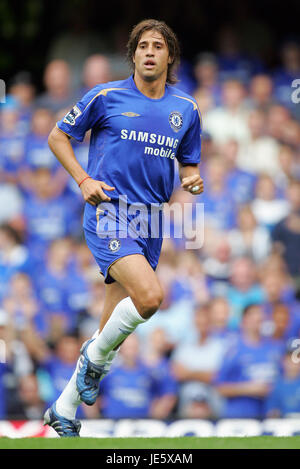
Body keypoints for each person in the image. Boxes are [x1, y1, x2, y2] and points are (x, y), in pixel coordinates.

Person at [44, 19, 203, 437]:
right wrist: (83, 179)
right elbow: (58, 137)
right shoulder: (106, 96)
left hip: (151, 221)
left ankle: (63, 409)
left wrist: (191, 177)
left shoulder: (185, 108)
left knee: (107, 330)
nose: (150, 52)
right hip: (110, 212)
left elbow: (188, 160)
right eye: (143, 46)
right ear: (133, 55)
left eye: (158, 46)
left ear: (169, 57)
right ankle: (94, 360)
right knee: (150, 298)